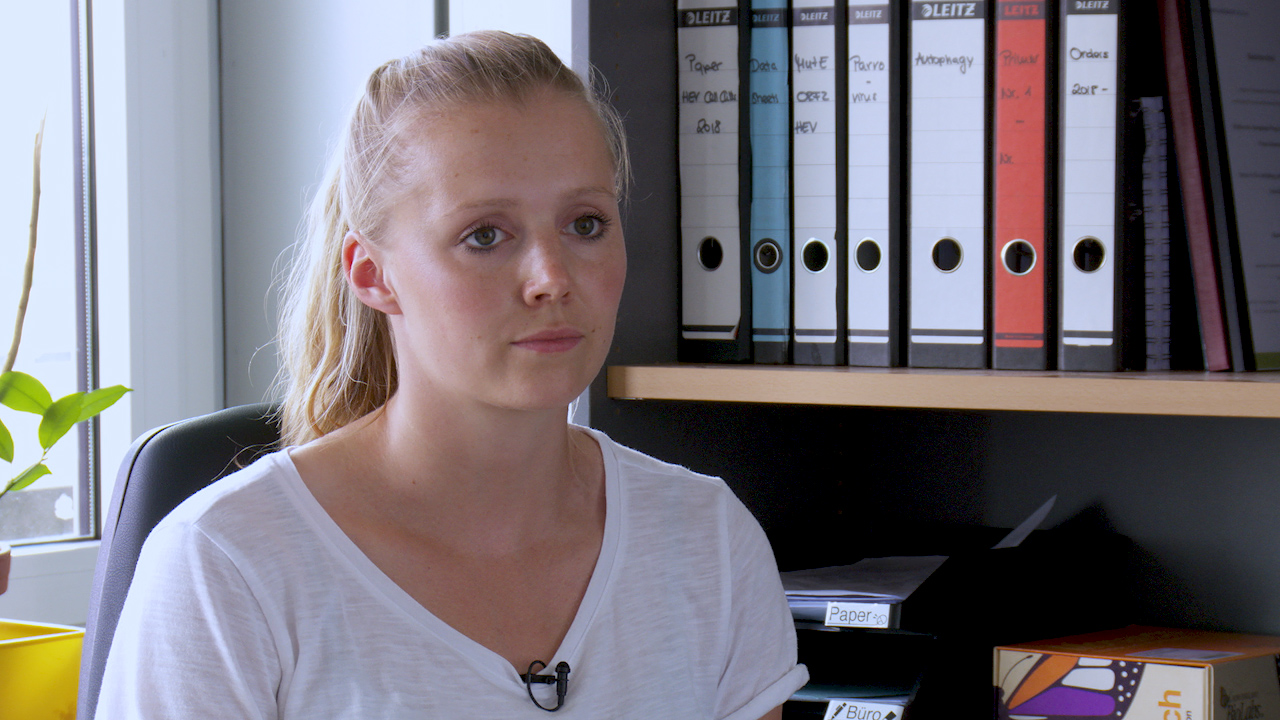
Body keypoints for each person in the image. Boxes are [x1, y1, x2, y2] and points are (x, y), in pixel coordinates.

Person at [95, 31, 807, 718]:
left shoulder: (709, 543)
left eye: (586, 224)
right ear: (373, 275)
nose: (552, 278)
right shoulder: (224, 566)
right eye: (484, 236)